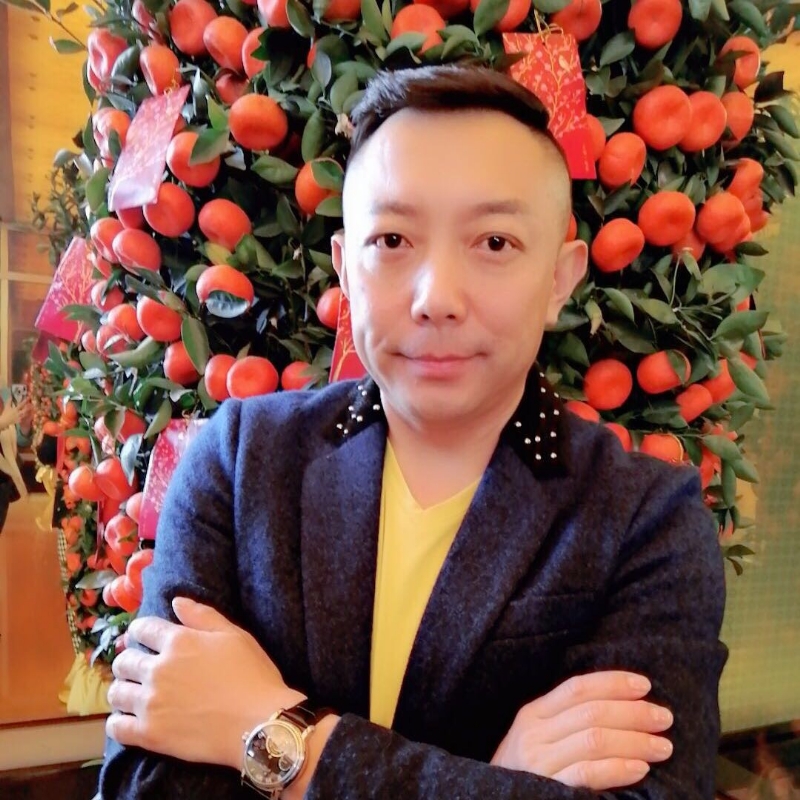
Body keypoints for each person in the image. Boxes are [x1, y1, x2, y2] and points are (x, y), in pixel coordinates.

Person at [99, 65, 727, 799]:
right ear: (346, 268)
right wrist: (497, 781)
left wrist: (270, 729)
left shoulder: (645, 519)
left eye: (495, 242)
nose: (437, 297)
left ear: (560, 279)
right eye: (393, 239)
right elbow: (145, 783)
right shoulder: (241, 461)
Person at [0, 389, 32, 533]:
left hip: (5, 486)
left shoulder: (5, 394)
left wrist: (25, 427)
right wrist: (2, 422)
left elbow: (19, 442)